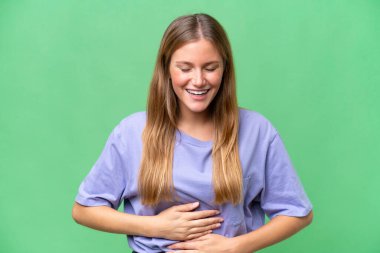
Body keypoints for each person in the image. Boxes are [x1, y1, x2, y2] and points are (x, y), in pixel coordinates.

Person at [72, 13, 313, 253]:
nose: (198, 80)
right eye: (185, 68)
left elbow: (298, 212)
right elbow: (83, 210)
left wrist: (236, 246)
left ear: (225, 69)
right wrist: (156, 226)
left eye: (210, 68)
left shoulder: (257, 131)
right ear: (166, 69)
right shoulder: (132, 132)